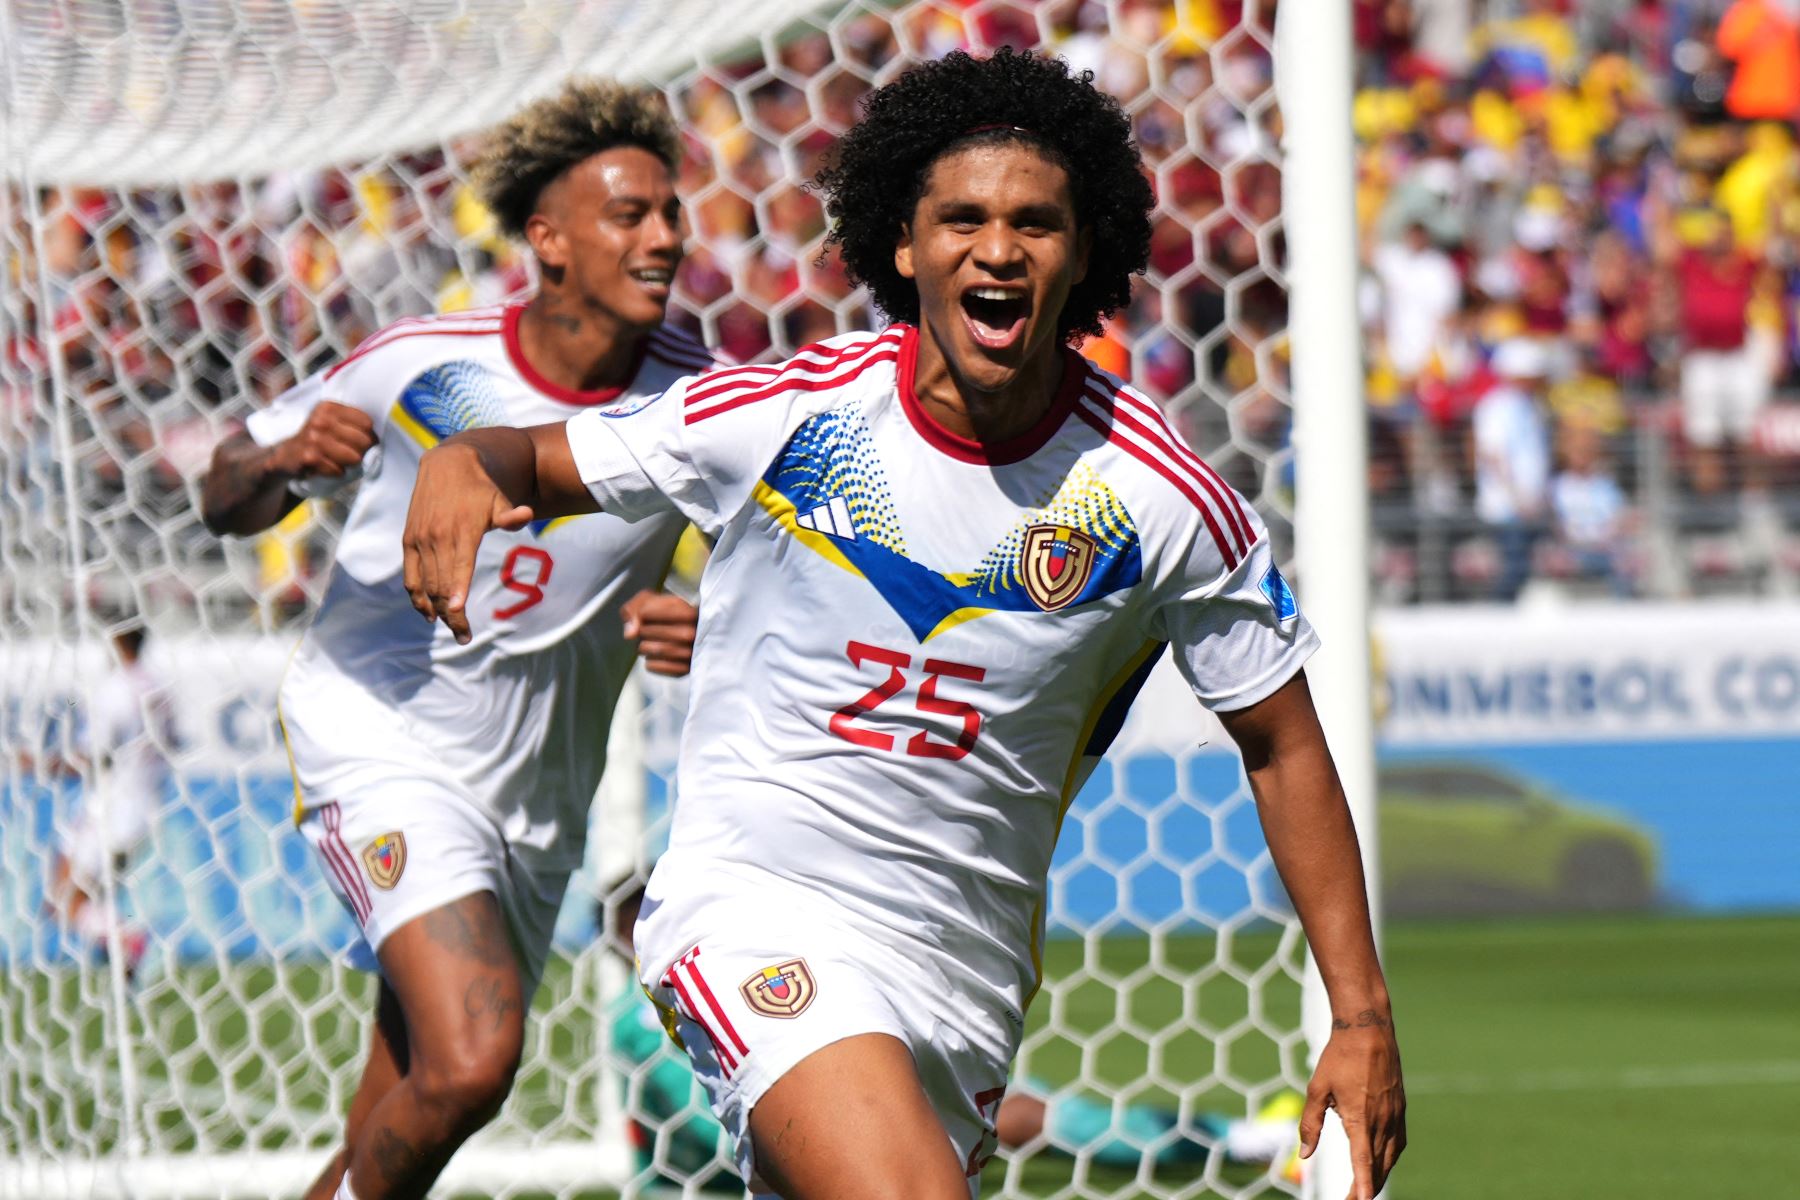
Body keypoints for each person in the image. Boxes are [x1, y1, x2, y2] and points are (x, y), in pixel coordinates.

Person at [403, 49, 1405, 1200]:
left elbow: (1282, 746)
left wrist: (1361, 1015)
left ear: (1082, 253)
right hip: (753, 907)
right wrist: (464, 462)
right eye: (962, 217)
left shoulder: (1163, 497)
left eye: (1035, 222)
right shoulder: (788, 414)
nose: (997, 248)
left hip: (961, 974)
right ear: (900, 243)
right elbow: (535, 456)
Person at [199, 79, 711, 1200]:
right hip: (382, 734)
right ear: (547, 240)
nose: (667, 235)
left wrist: (708, 623)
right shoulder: (418, 362)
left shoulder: (695, 399)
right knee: (476, 1061)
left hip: (537, 797)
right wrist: (275, 465)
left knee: (410, 1105)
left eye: (671, 211)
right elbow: (221, 491)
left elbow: (774, 584)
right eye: (632, 214)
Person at [599, 879, 1303, 1190]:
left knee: (1015, 1111)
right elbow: (719, 1136)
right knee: (1013, 1116)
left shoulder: (733, 971)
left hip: (816, 1132)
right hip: (744, 1173)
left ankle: (1240, 1141)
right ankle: (1245, 1142)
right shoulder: (638, 1023)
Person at [48, 620, 172, 976]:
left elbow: (91, 756)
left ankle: (128, 939)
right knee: (81, 897)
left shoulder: (117, 688)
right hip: (146, 807)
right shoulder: (159, 687)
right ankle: (125, 965)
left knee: (64, 898)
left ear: (116, 640)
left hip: (112, 808)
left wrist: (37, 763)